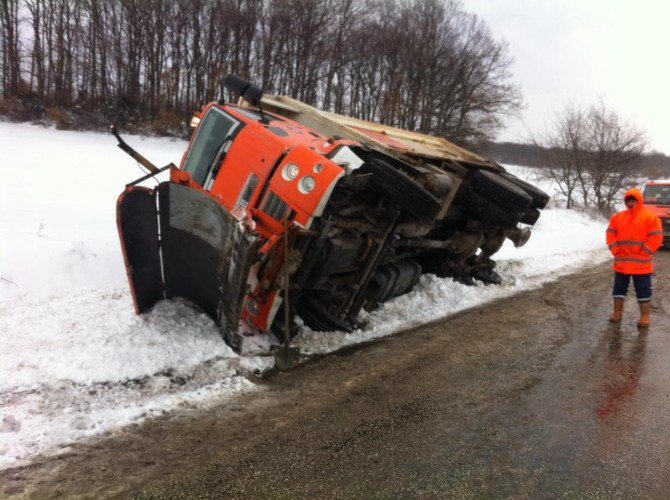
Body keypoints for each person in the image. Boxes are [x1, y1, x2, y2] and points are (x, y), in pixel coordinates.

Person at [606, 188, 663, 328]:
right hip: (622, 262)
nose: (631, 203)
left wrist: (644, 252)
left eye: (633, 200)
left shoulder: (650, 217)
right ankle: (617, 313)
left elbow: (656, 237)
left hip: (641, 264)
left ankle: (645, 316)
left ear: (639, 201)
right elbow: (610, 234)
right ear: (626, 202)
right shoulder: (618, 217)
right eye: (628, 200)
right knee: (619, 289)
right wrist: (615, 249)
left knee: (643, 290)